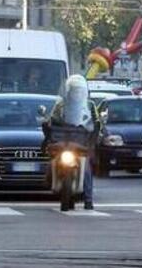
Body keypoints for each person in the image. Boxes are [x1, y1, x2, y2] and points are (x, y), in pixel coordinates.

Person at [43, 75, 100, 210]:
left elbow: (96, 121)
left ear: (84, 91)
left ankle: (88, 199)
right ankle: (50, 179)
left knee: (86, 168)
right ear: (68, 90)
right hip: (63, 140)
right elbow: (51, 119)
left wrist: (95, 130)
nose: (76, 92)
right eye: (74, 89)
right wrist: (48, 124)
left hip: (81, 140)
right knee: (52, 159)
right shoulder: (61, 104)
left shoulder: (90, 105)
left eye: (79, 90)